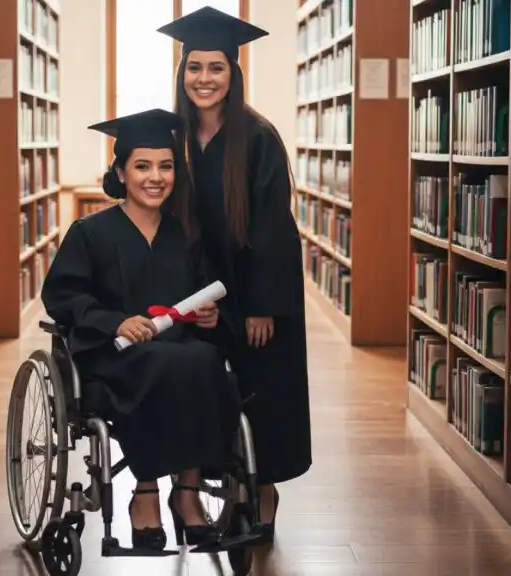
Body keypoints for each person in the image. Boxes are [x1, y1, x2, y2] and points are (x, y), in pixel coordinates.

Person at [39, 108, 241, 551]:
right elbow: (62, 296)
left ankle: (187, 493)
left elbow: (201, 301)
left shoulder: (185, 235)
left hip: (181, 350)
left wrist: (208, 318)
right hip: (115, 358)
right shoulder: (90, 232)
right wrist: (116, 320)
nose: (156, 177)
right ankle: (146, 491)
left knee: (206, 359)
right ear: (121, 172)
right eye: (143, 166)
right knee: (170, 361)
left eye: (166, 166)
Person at [156, 7, 313, 542]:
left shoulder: (258, 137)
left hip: (253, 288)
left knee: (263, 385)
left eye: (216, 67)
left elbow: (272, 225)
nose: (204, 78)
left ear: (233, 72)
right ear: (182, 73)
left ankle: (263, 495)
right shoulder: (172, 135)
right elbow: (134, 179)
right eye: (194, 67)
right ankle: (189, 489)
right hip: (196, 289)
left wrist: (263, 304)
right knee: (194, 378)